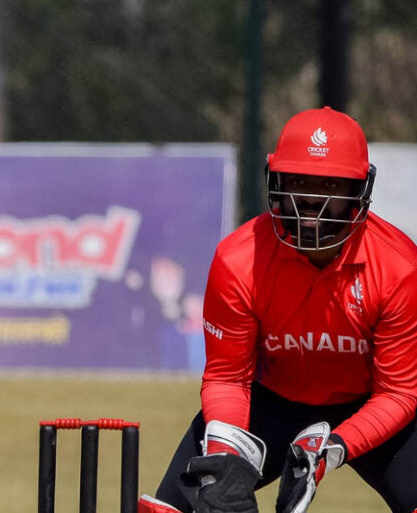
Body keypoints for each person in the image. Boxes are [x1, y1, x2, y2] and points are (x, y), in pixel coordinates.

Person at [138, 107, 417, 513]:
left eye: (331, 187)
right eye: (300, 184)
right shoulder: (238, 259)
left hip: (367, 404)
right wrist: (224, 452)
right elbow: (228, 378)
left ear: (360, 191)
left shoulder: (398, 267)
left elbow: (399, 393)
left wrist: (332, 449)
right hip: (267, 403)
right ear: (276, 182)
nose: (312, 207)